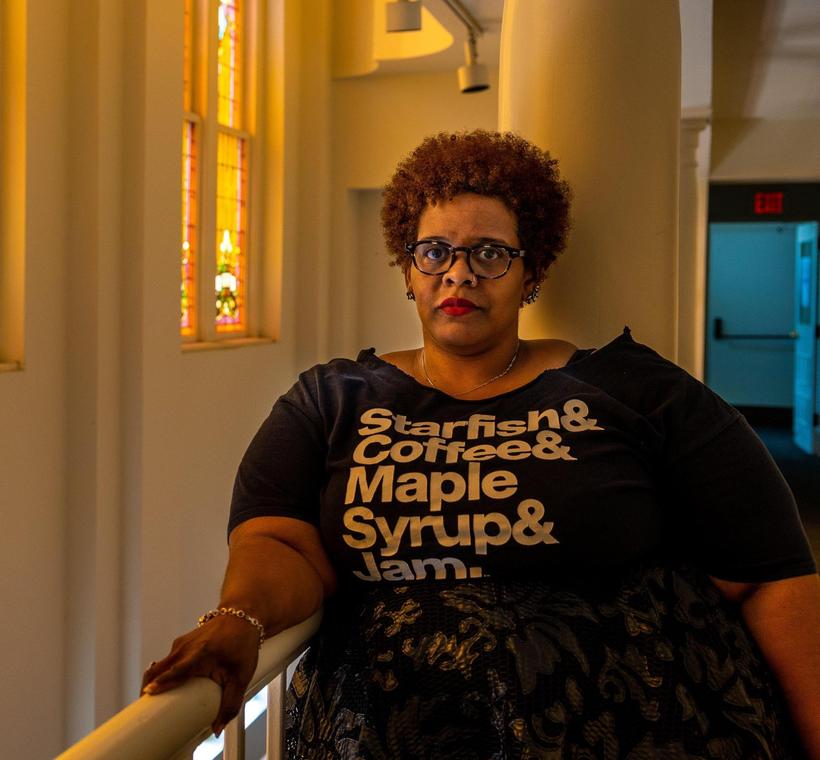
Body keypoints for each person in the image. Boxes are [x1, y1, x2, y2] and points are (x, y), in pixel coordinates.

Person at [141, 131, 820, 758]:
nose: (459, 274)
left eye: (490, 253)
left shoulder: (635, 389)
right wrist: (239, 619)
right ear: (407, 270)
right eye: (435, 252)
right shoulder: (329, 402)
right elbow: (280, 545)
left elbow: (769, 573)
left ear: (532, 274)